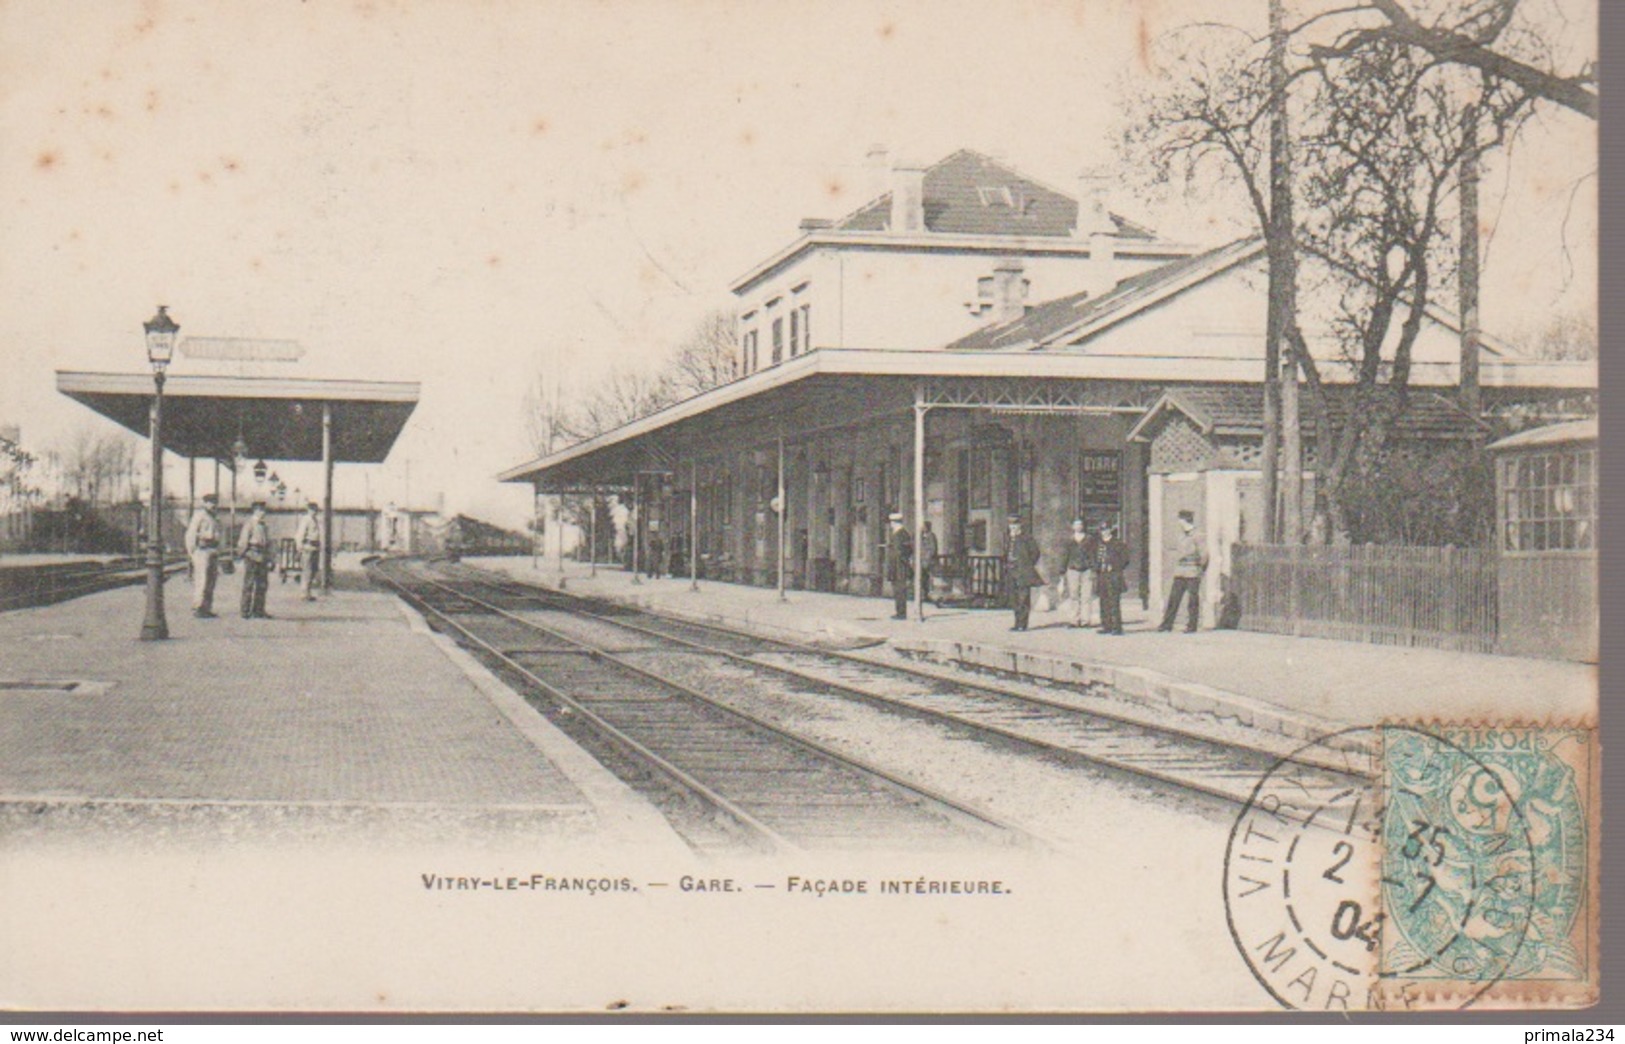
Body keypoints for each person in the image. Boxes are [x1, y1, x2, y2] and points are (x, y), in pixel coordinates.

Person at [1158, 509, 1210, 633]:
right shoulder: (1181, 535)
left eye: (1179, 519)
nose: (1178, 522)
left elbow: (1204, 555)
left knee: (1192, 600)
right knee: (1174, 598)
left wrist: (1200, 569)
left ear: (1183, 520)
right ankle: (1167, 624)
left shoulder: (1198, 535)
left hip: (1192, 571)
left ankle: (1192, 626)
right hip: (1180, 571)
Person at [183, 493, 222, 619]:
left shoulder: (215, 518)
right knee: (202, 579)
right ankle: (198, 606)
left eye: (215, 502)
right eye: (210, 502)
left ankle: (207, 607)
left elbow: (219, 536)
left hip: (212, 549)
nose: (213, 505)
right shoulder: (199, 516)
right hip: (202, 549)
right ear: (205, 503)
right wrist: (192, 551)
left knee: (211, 580)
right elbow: (191, 534)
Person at [1004, 515, 1043, 631]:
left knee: (1023, 598)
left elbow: (1035, 553)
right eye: (1011, 526)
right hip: (1011, 571)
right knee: (1014, 598)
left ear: (1020, 526)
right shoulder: (1008, 539)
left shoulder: (1027, 538)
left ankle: (1023, 623)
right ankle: (1017, 622)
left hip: (1023, 572)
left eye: (1015, 525)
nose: (1013, 528)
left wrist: (1027, 565)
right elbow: (1005, 553)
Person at [237, 500, 273, 619]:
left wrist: (270, 558)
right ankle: (245, 610)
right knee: (249, 583)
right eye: (260, 510)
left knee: (262, 585)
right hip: (252, 555)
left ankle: (258, 610)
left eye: (264, 510)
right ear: (255, 511)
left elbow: (268, 543)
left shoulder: (265, 526)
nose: (263, 513)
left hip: (262, 556)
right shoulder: (250, 524)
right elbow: (243, 541)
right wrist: (242, 554)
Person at [1060, 517, 1099, 629]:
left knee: (1086, 596)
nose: (1078, 527)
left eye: (1080, 524)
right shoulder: (1069, 540)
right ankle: (1074, 620)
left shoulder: (1089, 539)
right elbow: (1065, 555)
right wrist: (1062, 570)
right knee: (1073, 596)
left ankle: (1085, 620)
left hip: (1086, 570)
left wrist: (1093, 569)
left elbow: (1093, 554)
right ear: (1073, 527)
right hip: (1072, 570)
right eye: (1076, 525)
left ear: (1083, 526)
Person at [1094, 521, 1131, 635]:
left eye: (1106, 529)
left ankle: (1117, 627)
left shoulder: (1118, 543)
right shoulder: (1098, 544)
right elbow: (1093, 557)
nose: (1104, 532)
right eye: (1102, 530)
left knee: (1114, 601)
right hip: (1102, 575)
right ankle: (1106, 626)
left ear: (1110, 530)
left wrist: (1114, 566)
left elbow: (1125, 559)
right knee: (1103, 601)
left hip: (1114, 576)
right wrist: (1096, 567)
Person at [294, 500, 322, 602]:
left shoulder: (316, 520)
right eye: (312, 510)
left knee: (313, 571)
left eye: (316, 510)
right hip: (308, 547)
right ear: (308, 510)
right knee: (307, 571)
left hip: (315, 547)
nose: (314, 512)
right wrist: (300, 548)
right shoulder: (306, 520)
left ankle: (308, 593)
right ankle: (304, 593)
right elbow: (299, 535)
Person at [887, 511, 913, 620]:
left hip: (900, 566)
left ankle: (901, 613)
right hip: (896, 566)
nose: (891, 525)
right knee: (897, 590)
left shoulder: (902, 534)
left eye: (892, 522)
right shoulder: (897, 533)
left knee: (900, 590)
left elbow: (904, 550)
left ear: (895, 523)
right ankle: (899, 611)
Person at [918, 521, 939, 605]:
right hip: (921, 561)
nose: (922, 528)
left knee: (928, 578)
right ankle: (923, 594)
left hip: (928, 561)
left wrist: (927, 557)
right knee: (922, 578)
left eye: (924, 527)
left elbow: (932, 549)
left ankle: (928, 594)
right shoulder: (921, 536)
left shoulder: (931, 536)